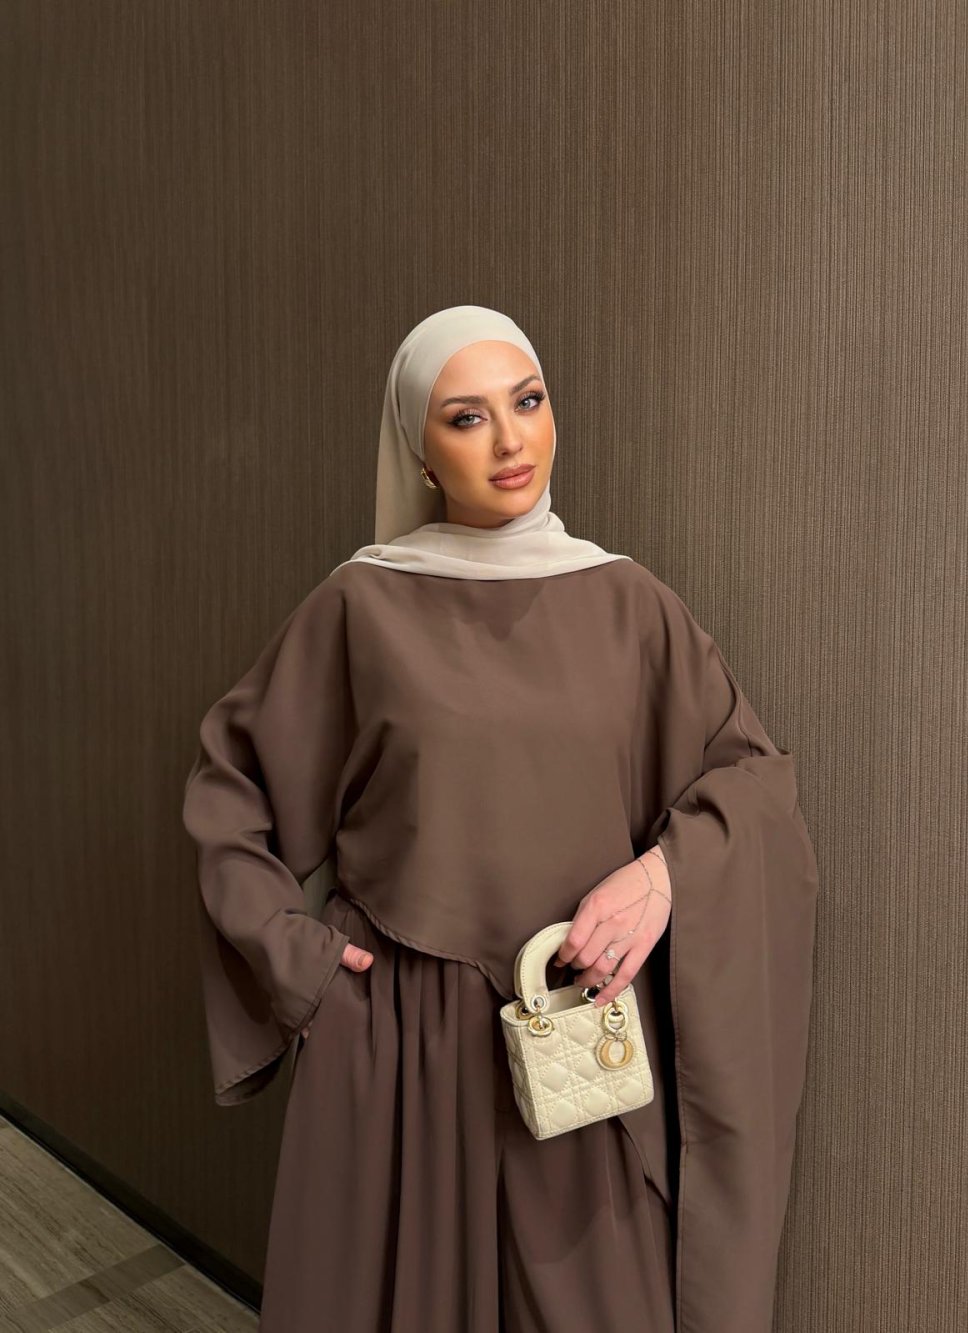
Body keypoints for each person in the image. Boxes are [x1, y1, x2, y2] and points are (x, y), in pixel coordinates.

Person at [181, 304, 819, 1332]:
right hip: (398, 1046)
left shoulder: (627, 605)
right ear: (420, 451)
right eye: (467, 417)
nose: (510, 440)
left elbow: (751, 781)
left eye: (527, 401)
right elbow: (231, 788)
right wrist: (302, 968)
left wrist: (660, 875)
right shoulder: (362, 607)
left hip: (574, 1039)